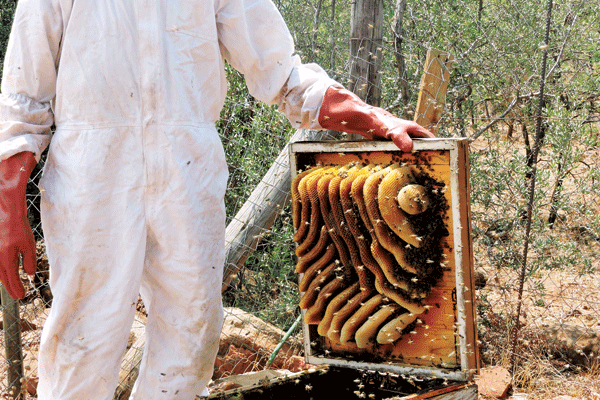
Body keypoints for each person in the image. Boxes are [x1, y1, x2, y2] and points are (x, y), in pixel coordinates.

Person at [0, 0, 433, 399]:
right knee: (83, 338)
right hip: (92, 177)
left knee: (192, 332)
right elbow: (23, 99)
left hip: (187, 173)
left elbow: (282, 73)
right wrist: (7, 209)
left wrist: (372, 117)